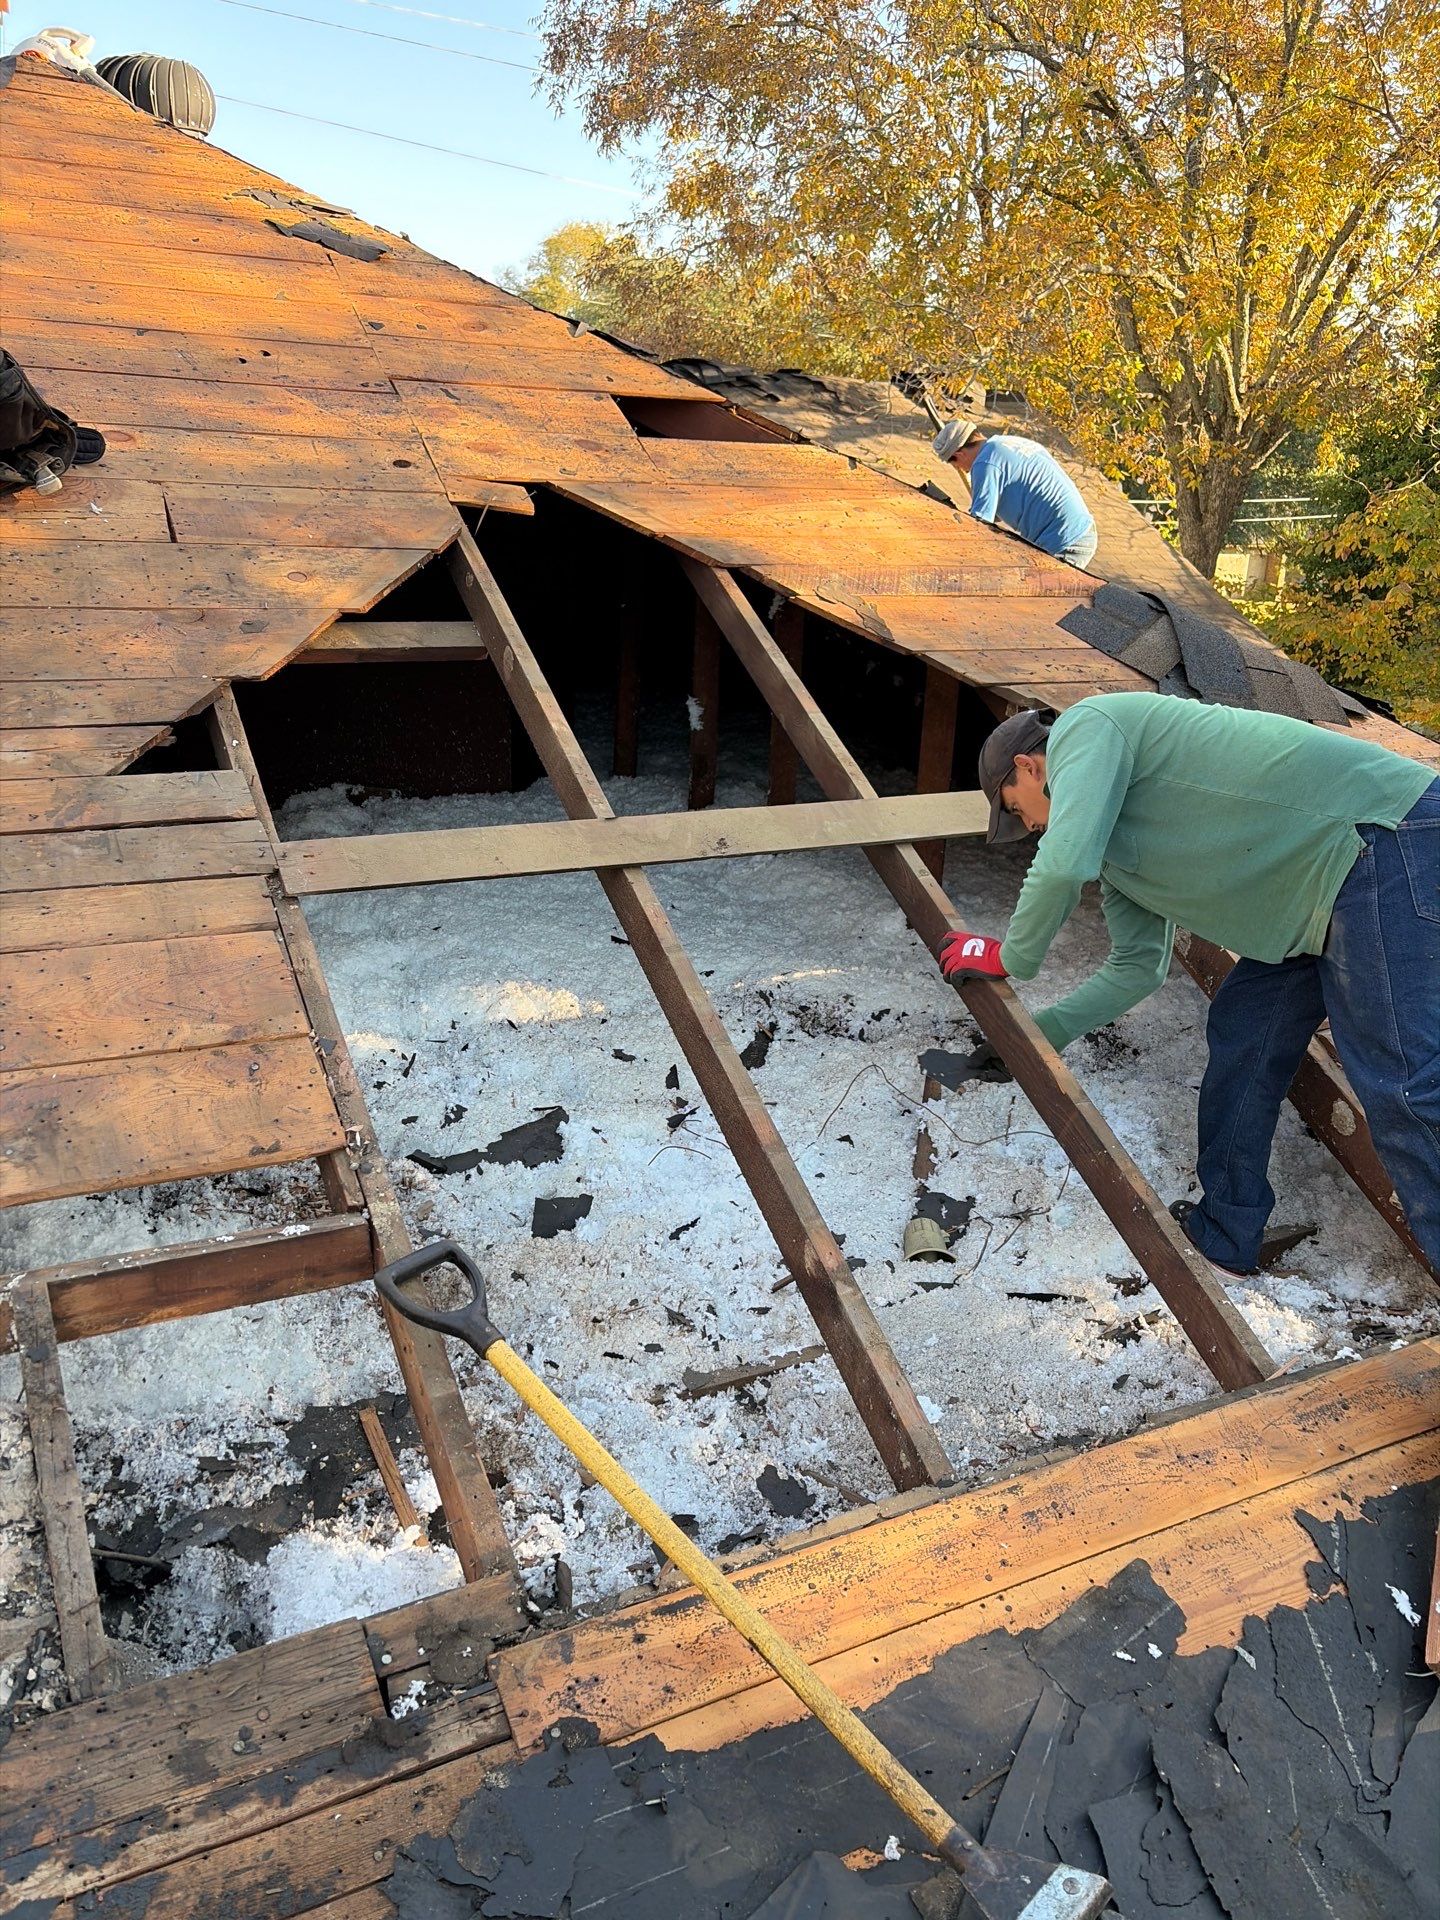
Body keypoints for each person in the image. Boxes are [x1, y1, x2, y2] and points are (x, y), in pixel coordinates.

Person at [937, 694, 1440, 1275]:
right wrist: (1034, 1039)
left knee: (1402, 1085)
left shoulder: (1087, 726)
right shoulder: (1116, 853)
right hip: (1315, 899)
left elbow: (1063, 863)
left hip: (1383, 837)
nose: (1028, 827)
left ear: (1028, 766)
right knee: (1244, 1028)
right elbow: (1136, 967)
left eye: (1015, 809)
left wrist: (1009, 957)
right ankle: (1227, 1233)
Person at [933, 418, 1098, 570]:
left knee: (1037, 591)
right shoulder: (1010, 444)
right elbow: (996, 513)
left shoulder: (986, 462)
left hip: (1063, 540)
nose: (962, 470)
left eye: (956, 465)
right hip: (1079, 532)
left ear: (960, 454)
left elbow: (979, 526)